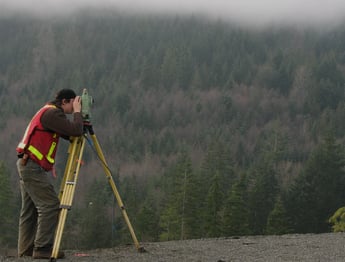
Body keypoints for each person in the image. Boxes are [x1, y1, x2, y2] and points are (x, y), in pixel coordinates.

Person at [16, 89, 83, 259]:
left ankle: (26, 250)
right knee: (50, 205)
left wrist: (79, 122)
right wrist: (78, 113)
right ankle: (42, 248)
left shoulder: (47, 111)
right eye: (72, 103)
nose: (73, 107)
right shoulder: (53, 114)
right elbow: (75, 130)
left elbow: (68, 132)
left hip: (27, 163)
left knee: (29, 209)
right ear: (65, 102)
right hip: (31, 166)